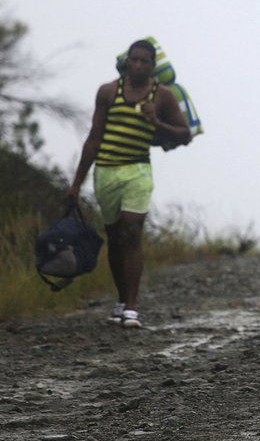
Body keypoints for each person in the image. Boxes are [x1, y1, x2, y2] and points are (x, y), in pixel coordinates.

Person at [66, 39, 191, 328]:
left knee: (132, 231)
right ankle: (121, 301)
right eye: (133, 60)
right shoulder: (108, 92)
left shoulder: (163, 96)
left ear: (152, 65)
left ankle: (132, 308)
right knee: (114, 237)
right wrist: (76, 184)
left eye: (144, 61)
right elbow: (94, 138)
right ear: (127, 62)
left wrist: (157, 122)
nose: (137, 65)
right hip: (106, 172)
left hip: (137, 171)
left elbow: (184, 134)